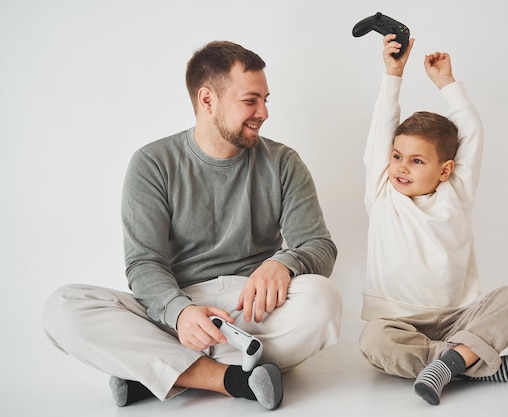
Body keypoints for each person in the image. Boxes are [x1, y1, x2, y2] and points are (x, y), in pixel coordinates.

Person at [43, 40, 342, 411]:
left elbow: (319, 245)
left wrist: (283, 264)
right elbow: (144, 264)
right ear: (207, 100)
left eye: (266, 99)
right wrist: (180, 312)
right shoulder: (152, 163)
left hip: (251, 312)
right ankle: (231, 378)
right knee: (64, 307)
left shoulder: (283, 162)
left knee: (323, 300)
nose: (263, 112)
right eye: (250, 100)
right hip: (176, 311)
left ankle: (158, 371)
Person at [358, 34, 508, 406]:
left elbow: (471, 131)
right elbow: (381, 126)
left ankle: (452, 361)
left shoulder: (456, 192)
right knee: (372, 341)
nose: (402, 167)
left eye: (417, 161)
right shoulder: (382, 192)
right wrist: (393, 74)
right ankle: (463, 361)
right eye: (397, 156)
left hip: (460, 318)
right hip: (401, 322)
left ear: (446, 170)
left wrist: (446, 83)